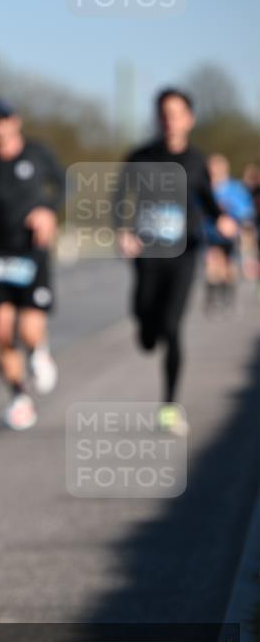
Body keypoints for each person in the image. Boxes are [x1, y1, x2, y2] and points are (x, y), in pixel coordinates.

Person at [115, 88, 237, 435]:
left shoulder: (197, 161)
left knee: (172, 327)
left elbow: (207, 200)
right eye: (163, 113)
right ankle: (146, 327)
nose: (169, 120)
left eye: (176, 113)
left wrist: (222, 220)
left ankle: (169, 405)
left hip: (183, 253)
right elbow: (120, 198)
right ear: (157, 118)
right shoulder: (140, 157)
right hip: (148, 253)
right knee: (147, 332)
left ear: (189, 119)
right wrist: (123, 230)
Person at [0, 97, 64, 430]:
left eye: (4, 119)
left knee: (28, 330)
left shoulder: (37, 153)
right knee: (2, 332)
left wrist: (48, 211)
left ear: (16, 121)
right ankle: (18, 397)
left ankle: (38, 350)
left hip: (31, 251)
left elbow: (64, 184)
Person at [203, 154, 254, 312]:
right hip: (210, 233)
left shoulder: (235, 188)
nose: (214, 171)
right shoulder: (204, 188)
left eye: (217, 167)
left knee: (228, 267)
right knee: (212, 264)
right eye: (211, 168)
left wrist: (229, 211)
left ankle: (227, 299)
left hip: (231, 235)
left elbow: (246, 210)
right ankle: (212, 300)